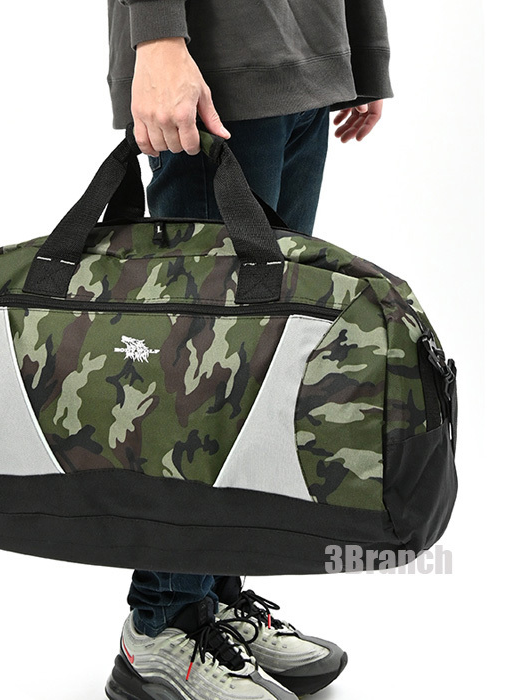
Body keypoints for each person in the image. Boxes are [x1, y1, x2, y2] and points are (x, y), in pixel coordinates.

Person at [104, 2, 393, 699]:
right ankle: (163, 623)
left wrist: (361, 46)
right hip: (212, 65)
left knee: (259, 367)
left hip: (305, 58)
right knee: (197, 378)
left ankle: (212, 596)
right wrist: (158, 40)